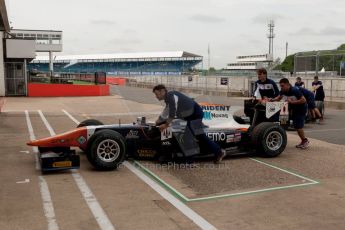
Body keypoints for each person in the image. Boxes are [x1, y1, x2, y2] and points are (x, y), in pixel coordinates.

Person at [152, 84, 226, 163]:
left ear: (162, 91)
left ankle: (190, 160)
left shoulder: (170, 96)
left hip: (194, 114)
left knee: (189, 135)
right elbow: (166, 111)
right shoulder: (169, 97)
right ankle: (219, 152)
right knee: (197, 135)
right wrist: (158, 121)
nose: (156, 97)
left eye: (157, 94)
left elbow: (172, 113)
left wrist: (165, 125)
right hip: (190, 115)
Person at [270, 78, 309, 149]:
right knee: (286, 122)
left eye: (282, 86)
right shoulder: (283, 91)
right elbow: (279, 97)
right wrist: (271, 99)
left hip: (301, 108)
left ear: (288, 85)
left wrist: (292, 102)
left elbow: (303, 100)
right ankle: (283, 139)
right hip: (293, 108)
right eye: (280, 86)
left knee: (298, 126)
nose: (281, 87)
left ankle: (305, 141)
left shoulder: (295, 90)